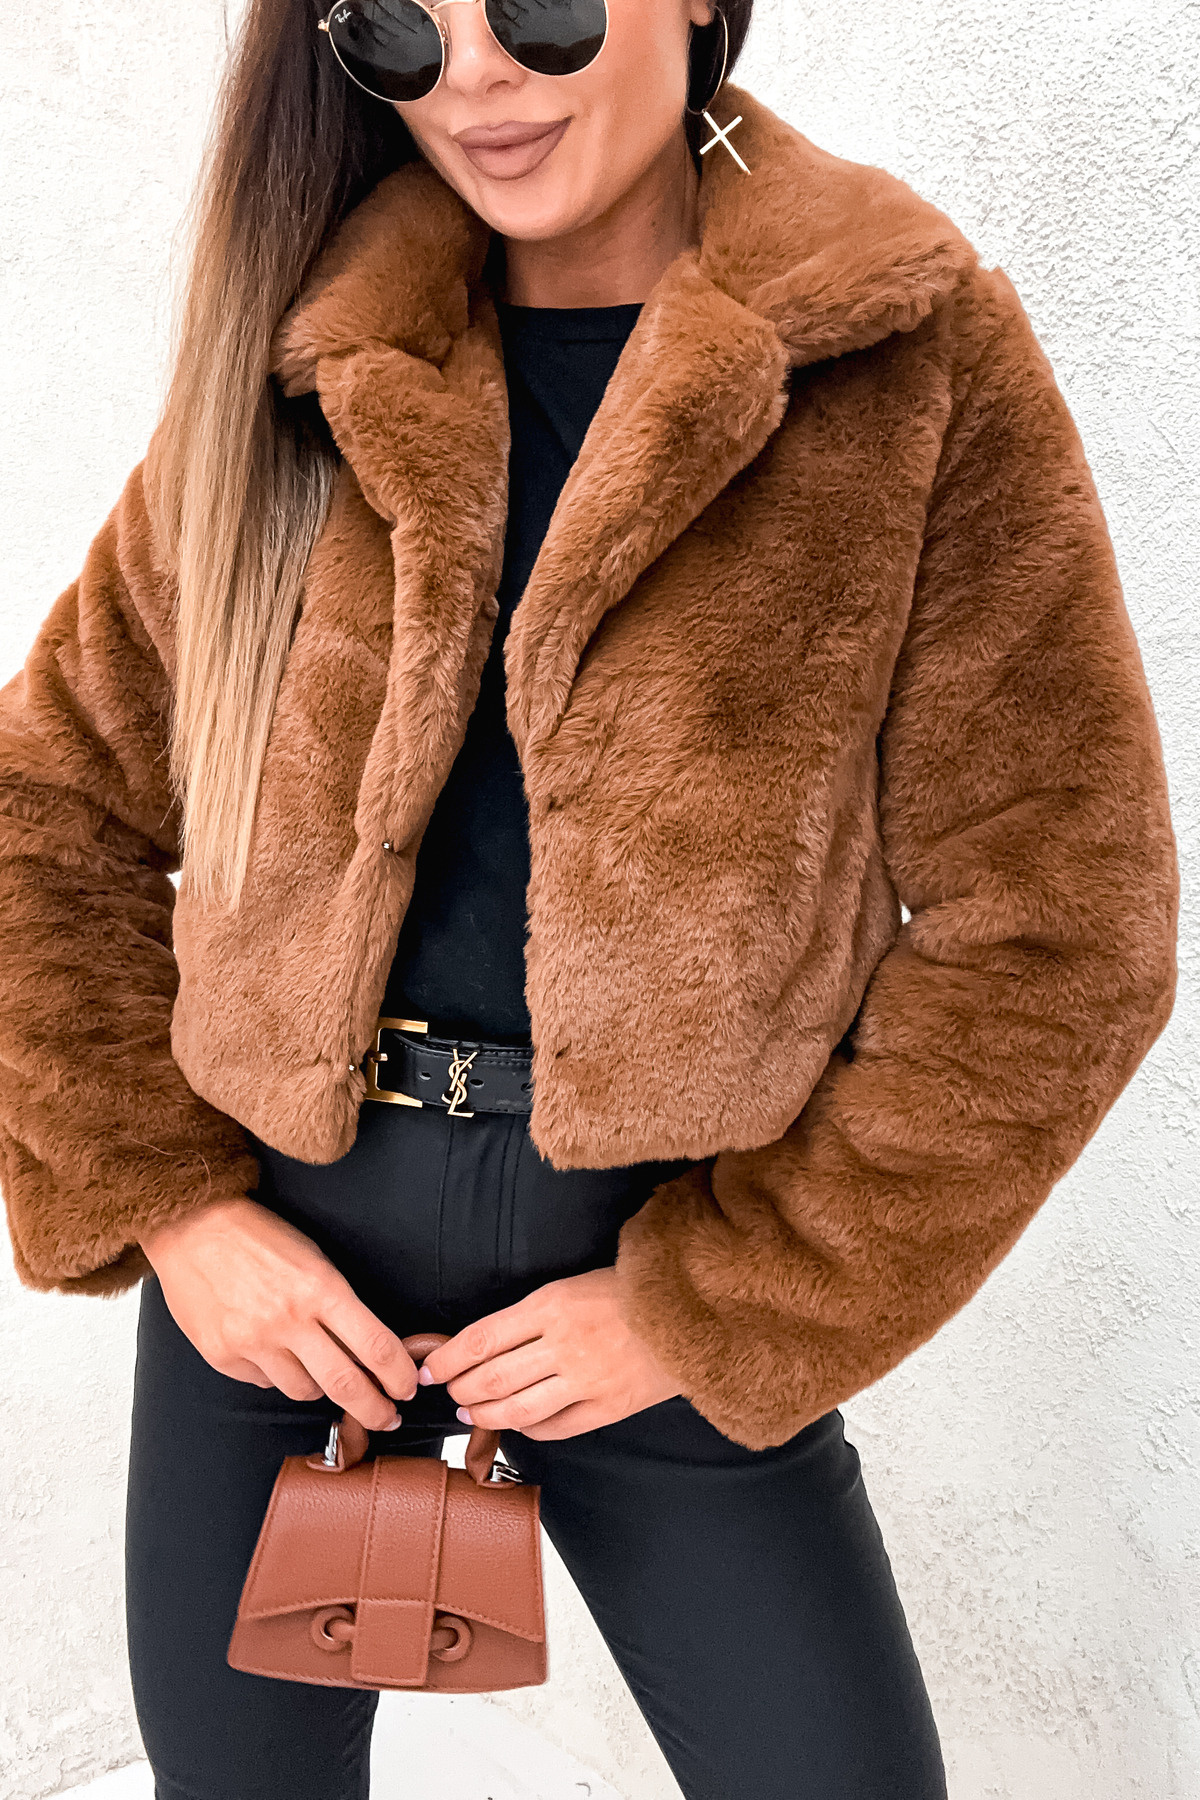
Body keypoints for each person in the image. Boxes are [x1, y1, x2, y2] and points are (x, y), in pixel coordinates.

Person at [0, 1, 1178, 1796]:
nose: (473, 73)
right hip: (285, 1284)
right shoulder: (306, 360)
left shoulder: (905, 357)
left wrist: (720, 1301)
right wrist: (173, 1214)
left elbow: (1064, 928)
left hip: (664, 1274)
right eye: (400, 30)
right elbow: (40, 813)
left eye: (537, 7)